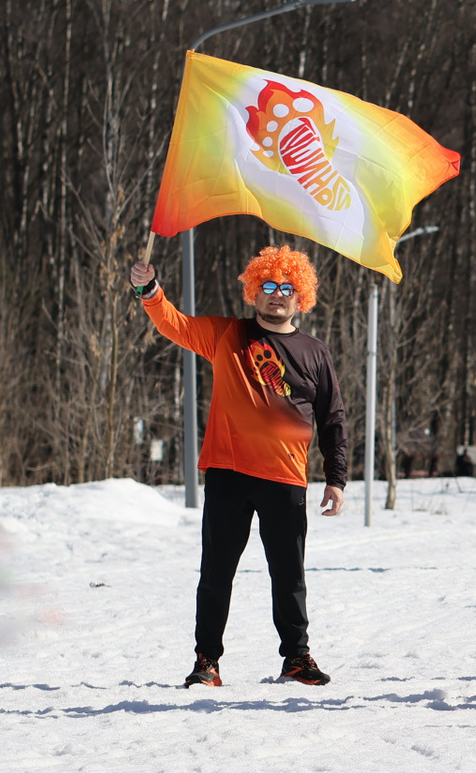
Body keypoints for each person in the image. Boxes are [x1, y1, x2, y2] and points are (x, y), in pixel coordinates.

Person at [128, 249, 346, 689]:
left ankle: (297, 658)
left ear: (301, 296)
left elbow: (332, 419)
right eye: (268, 286)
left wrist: (336, 479)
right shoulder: (228, 334)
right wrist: (148, 289)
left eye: (287, 288)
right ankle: (207, 661)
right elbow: (175, 323)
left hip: (286, 478)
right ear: (254, 291)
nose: (277, 295)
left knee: (289, 576)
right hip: (229, 473)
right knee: (216, 573)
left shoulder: (315, 352)